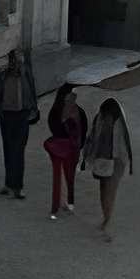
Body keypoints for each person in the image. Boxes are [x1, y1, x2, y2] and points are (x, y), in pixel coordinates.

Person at [83, 96, 135, 241]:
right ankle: (106, 219)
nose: (107, 119)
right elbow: (92, 138)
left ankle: (108, 222)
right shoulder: (100, 119)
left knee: (109, 193)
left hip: (116, 162)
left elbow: (124, 147)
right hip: (103, 161)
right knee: (103, 191)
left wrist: (125, 163)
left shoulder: (118, 124)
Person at [0, 52, 37, 202]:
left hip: (22, 115)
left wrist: (33, 109)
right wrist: (0, 111)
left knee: (18, 150)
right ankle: (9, 184)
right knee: (8, 150)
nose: (17, 64)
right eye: (14, 61)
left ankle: (18, 187)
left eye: (19, 61)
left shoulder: (25, 74)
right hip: (7, 115)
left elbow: (32, 91)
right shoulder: (2, 77)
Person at [42, 83, 88, 219]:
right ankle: (70, 202)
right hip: (71, 149)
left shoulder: (55, 110)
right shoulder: (78, 111)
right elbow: (83, 132)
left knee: (57, 178)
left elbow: (52, 125)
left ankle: (55, 209)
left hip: (56, 148)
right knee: (70, 177)